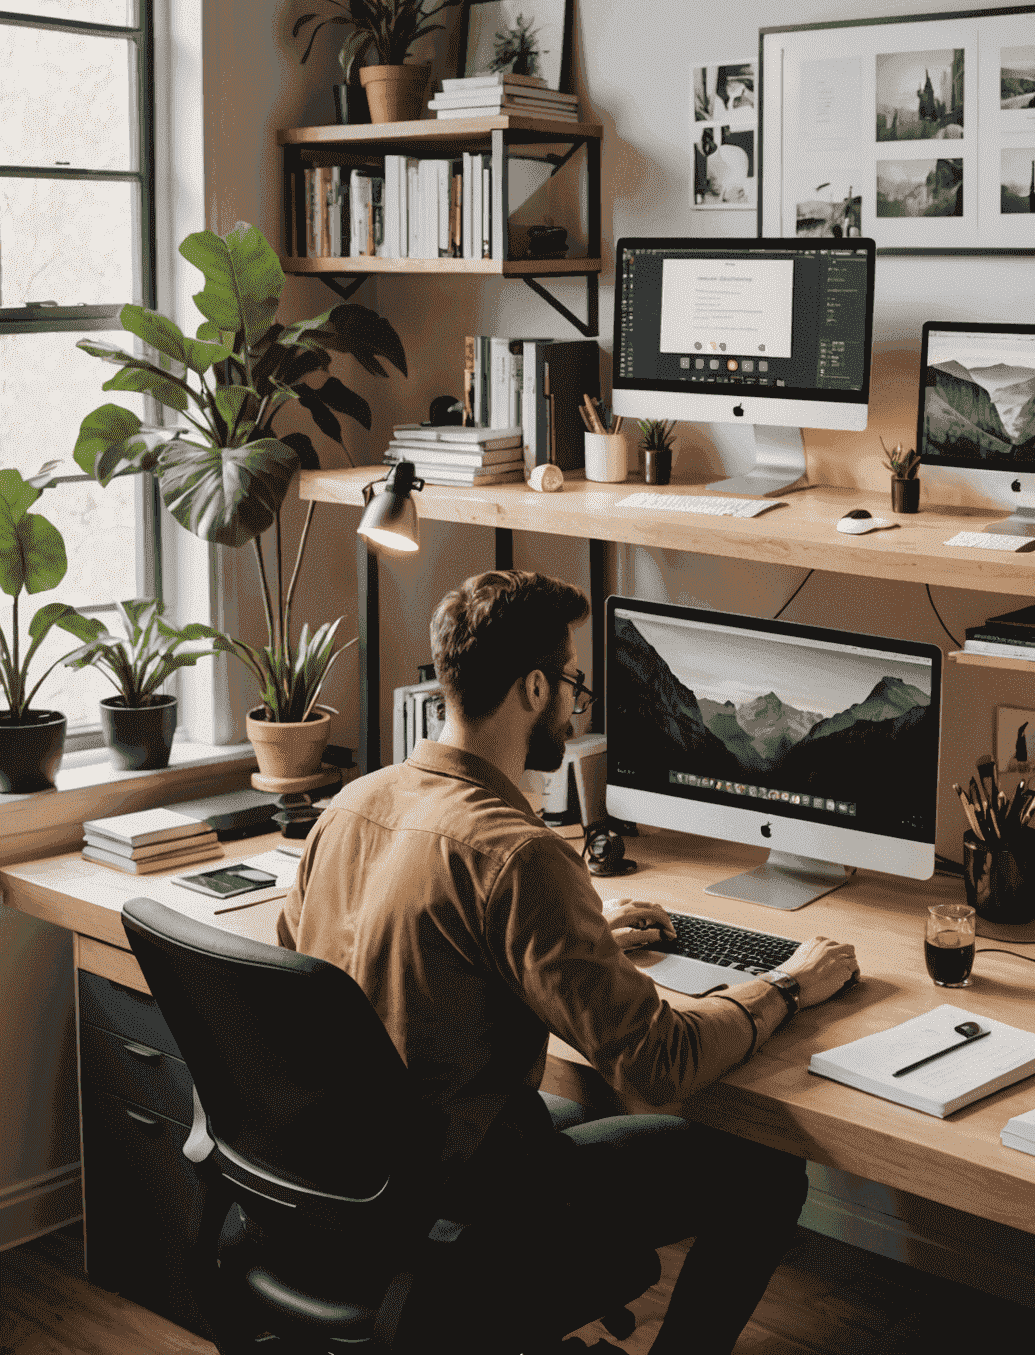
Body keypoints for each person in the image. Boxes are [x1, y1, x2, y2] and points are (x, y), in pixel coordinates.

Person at [277, 569, 860, 1353]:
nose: (575, 703)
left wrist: (568, 940)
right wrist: (788, 986)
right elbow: (659, 1063)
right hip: (467, 1196)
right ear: (532, 690)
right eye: (571, 684)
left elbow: (302, 981)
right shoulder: (519, 856)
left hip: (351, 1181)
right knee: (766, 1170)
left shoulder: (347, 807)